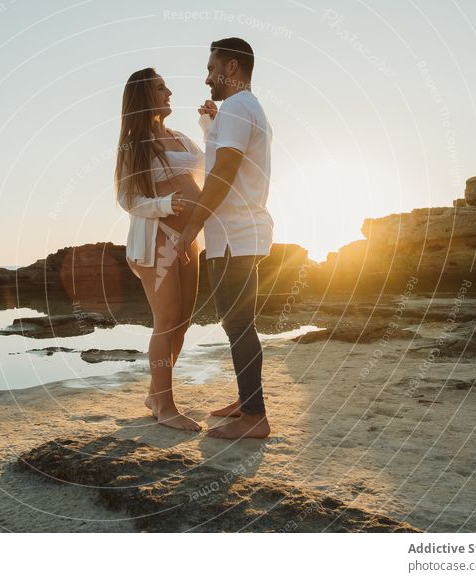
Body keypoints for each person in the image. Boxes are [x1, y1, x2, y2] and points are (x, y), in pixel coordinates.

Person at [175, 38, 274, 440]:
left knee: (237, 324)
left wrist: (191, 226)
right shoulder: (245, 108)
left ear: (231, 68)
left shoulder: (236, 108)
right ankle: (246, 402)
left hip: (232, 235)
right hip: (244, 233)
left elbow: (223, 173)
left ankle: (255, 416)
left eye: (211, 67)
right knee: (241, 323)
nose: (206, 77)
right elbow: (226, 156)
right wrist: (209, 125)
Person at [114, 67, 214, 432]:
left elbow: (210, 171)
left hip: (190, 239)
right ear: (144, 96)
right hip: (157, 239)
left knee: (183, 323)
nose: (169, 91)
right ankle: (167, 407)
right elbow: (128, 199)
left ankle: (156, 395)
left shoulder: (183, 139)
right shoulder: (133, 145)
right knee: (166, 321)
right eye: (160, 88)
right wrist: (167, 205)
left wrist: (209, 129)